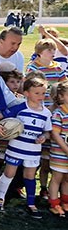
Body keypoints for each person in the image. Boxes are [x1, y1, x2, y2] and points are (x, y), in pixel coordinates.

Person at [0, 77, 52, 218]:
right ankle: (0, 198)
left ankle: (31, 203)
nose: (40, 96)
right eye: (36, 93)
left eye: (43, 93)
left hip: (33, 151)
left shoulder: (46, 113)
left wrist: (44, 137)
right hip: (15, 148)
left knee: (30, 176)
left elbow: (48, 132)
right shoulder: (20, 107)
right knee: (9, 173)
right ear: (26, 93)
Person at [48, 81, 68, 216]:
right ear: (61, 97)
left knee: (67, 178)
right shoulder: (58, 113)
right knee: (57, 178)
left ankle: (65, 201)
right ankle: (54, 203)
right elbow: (55, 134)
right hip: (59, 154)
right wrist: (66, 150)